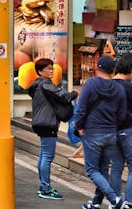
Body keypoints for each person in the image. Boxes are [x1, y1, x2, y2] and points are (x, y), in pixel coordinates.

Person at [85, 54, 132, 209]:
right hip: (127, 130)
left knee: (116, 166)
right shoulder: (129, 87)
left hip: (111, 131)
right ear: (131, 70)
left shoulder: (107, 84)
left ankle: (116, 200)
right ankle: (129, 203)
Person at [75, 56, 127, 209]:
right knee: (103, 169)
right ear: (113, 71)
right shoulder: (119, 88)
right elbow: (122, 114)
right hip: (111, 134)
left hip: (92, 132)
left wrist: (79, 127)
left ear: (97, 68)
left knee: (91, 170)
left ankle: (115, 199)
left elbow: (82, 107)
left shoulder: (91, 83)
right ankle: (96, 203)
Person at [28, 58, 78, 200]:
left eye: (52, 68)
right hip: (47, 123)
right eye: (48, 68)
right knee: (47, 157)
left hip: (40, 122)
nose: (51, 70)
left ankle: (43, 186)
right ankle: (45, 188)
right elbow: (65, 97)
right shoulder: (46, 84)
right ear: (39, 71)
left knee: (44, 155)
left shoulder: (36, 85)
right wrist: (75, 93)